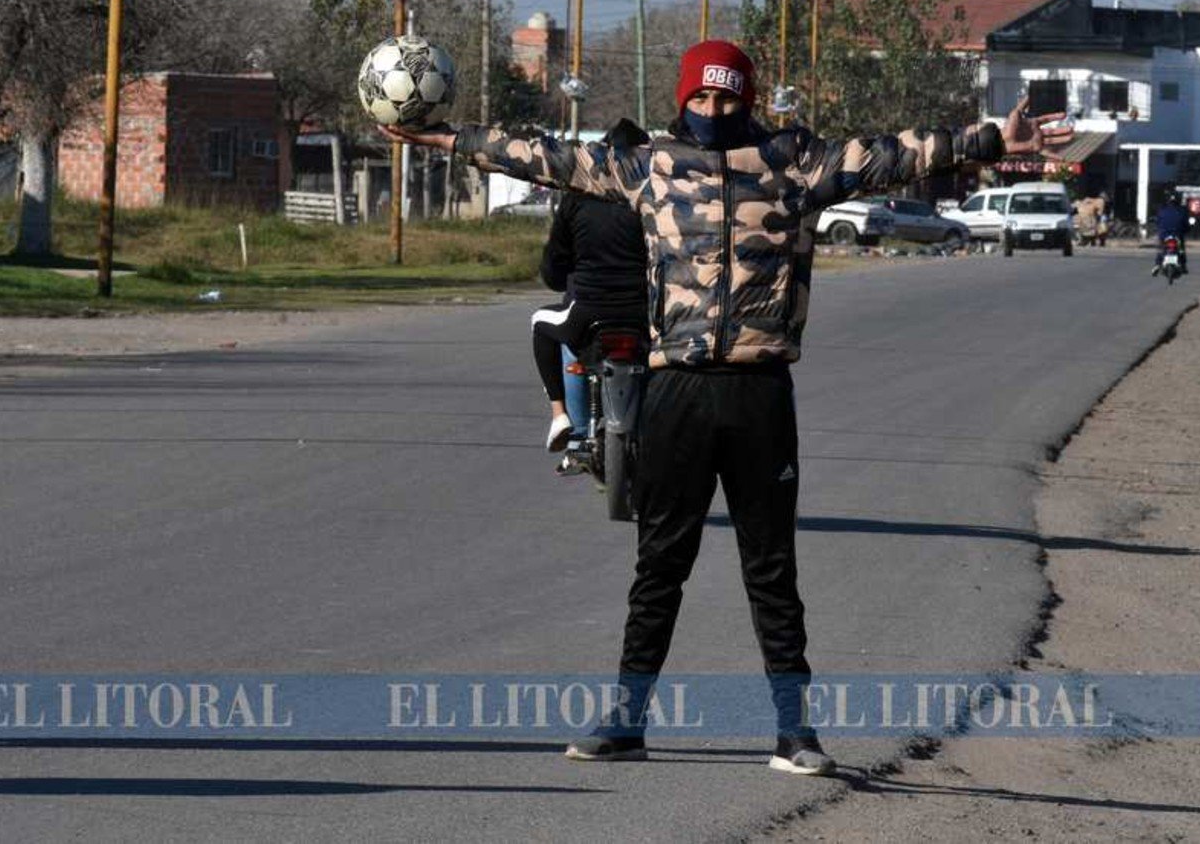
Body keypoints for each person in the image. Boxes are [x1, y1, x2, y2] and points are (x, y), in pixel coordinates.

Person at [381, 39, 1065, 776]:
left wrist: (991, 139)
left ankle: (795, 733)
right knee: (658, 566)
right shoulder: (648, 166)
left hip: (758, 392)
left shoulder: (794, 165)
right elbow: (544, 156)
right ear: (683, 100)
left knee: (771, 570)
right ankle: (626, 721)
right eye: (702, 97)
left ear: (748, 98)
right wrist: (449, 139)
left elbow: (893, 155)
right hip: (674, 390)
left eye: (728, 96)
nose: (714, 109)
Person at [532, 163, 647, 457]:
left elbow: (554, 265)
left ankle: (561, 417)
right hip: (642, 313)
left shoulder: (576, 199)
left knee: (543, 325)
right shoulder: (651, 195)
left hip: (588, 312)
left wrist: (564, 278)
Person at [1151, 191, 1190, 276]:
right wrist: (1186, 230)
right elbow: (1186, 225)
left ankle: (1157, 264)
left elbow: (1158, 223)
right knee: (1181, 250)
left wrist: (1159, 229)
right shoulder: (1182, 211)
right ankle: (1183, 265)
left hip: (1164, 234)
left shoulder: (1162, 210)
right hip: (1177, 234)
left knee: (1161, 249)